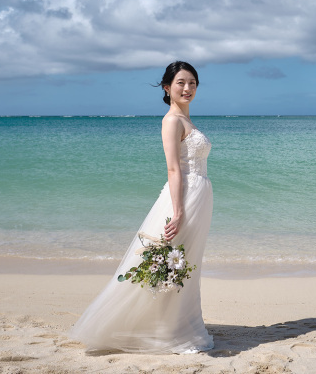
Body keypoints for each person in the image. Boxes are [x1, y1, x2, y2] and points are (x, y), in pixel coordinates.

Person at [69, 61, 214, 354]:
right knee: (167, 262)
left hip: (198, 197)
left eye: (193, 84)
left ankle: (179, 324)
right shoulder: (171, 121)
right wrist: (179, 210)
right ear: (167, 87)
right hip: (182, 199)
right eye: (181, 83)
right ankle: (153, 329)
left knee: (186, 265)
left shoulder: (188, 121)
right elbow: (173, 170)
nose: (187, 89)